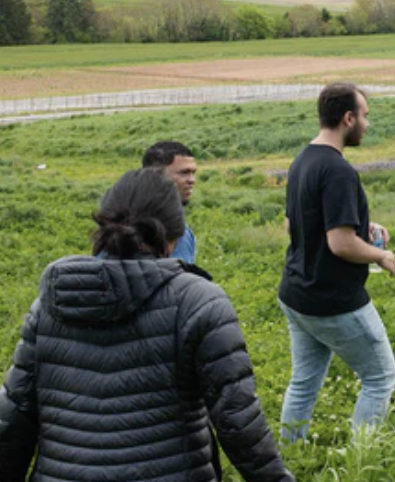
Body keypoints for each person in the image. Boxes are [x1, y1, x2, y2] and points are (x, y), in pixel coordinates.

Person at [0, 168, 293, 482]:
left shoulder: (52, 302)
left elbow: (15, 416)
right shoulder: (197, 301)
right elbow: (238, 421)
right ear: (175, 235)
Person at [279, 82, 395, 442]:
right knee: (380, 377)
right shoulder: (339, 171)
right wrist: (380, 254)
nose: (367, 124)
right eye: (364, 116)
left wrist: (364, 226)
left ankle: (292, 453)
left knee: (304, 380)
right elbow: (341, 243)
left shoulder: (303, 160)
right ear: (348, 118)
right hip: (333, 300)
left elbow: (294, 222)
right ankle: (361, 461)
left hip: (297, 294)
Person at [143, 140, 198, 263]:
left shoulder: (184, 233)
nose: (192, 180)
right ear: (154, 177)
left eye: (193, 173)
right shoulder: (125, 231)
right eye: (184, 173)